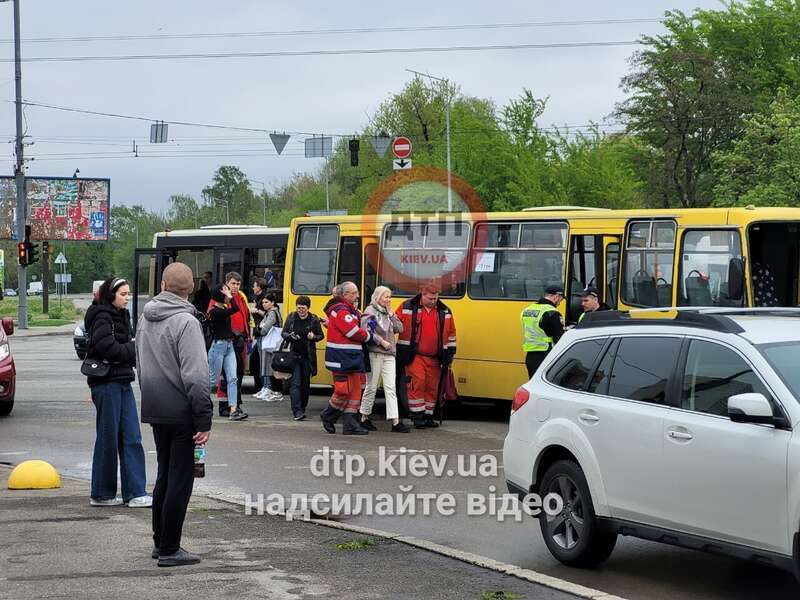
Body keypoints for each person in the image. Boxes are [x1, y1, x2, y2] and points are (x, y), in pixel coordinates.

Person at [136, 262, 212, 567]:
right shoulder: (186, 321)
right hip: (182, 411)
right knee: (181, 479)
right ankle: (170, 548)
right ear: (190, 289)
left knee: (165, 475)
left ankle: (159, 541)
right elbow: (196, 375)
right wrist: (203, 417)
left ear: (164, 286)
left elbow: (140, 364)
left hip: (155, 407)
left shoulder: (145, 316)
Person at [84, 277, 151, 508]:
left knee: (132, 436)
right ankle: (102, 494)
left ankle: (136, 492)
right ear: (110, 295)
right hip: (106, 383)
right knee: (108, 438)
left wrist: (130, 348)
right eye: (123, 294)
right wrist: (132, 347)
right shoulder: (102, 316)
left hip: (122, 380)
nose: (127, 297)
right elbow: (107, 348)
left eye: (128, 293)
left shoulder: (122, 315)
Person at [395, 282, 457, 430]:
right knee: (418, 384)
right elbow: (393, 323)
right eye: (430, 298)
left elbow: (451, 334)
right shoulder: (407, 306)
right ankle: (417, 417)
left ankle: (428, 416)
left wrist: (450, 355)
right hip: (414, 356)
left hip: (436, 357)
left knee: (432, 387)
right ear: (422, 295)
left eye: (435, 298)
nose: (433, 301)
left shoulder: (444, 311)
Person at [320, 282, 372, 434]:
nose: (357, 296)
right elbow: (353, 332)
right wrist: (369, 336)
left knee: (356, 391)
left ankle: (350, 424)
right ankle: (328, 415)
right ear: (345, 295)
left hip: (351, 357)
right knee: (343, 390)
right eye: (354, 293)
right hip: (341, 357)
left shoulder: (349, 310)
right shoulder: (341, 311)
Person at [360, 286, 409, 433]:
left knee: (390, 388)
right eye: (385, 296)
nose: (388, 299)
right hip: (375, 353)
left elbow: (400, 328)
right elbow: (366, 331)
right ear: (377, 297)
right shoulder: (370, 312)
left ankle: (395, 421)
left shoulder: (388, 313)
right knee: (372, 386)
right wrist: (381, 342)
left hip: (389, 354)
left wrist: (391, 313)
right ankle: (364, 417)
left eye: (389, 297)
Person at [207, 285, 248, 421]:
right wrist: (231, 298)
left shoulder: (222, 309)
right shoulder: (215, 312)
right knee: (212, 380)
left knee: (232, 379)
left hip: (229, 345)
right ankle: (199, 405)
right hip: (218, 347)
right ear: (220, 296)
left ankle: (233, 410)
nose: (228, 296)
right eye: (226, 294)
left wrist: (229, 297)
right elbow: (235, 309)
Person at [216, 272, 253, 416]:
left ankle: (234, 405)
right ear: (226, 283)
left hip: (240, 341)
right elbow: (215, 316)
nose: (235, 286)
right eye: (233, 283)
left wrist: (248, 337)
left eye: (238, 284)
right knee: (226, 376)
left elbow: (245, 317)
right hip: (227, 341)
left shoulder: (241, 297)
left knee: (237, 375)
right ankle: (225, 406)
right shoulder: (220, 296)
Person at [282, 295, 324, 420]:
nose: (300, 310)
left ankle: (302, 408)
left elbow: (320, 335)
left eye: (303, 308)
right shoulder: (291, 317)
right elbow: (283, 333)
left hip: (307, 357)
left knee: (305, 385)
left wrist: (313, 337)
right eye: (298, 308)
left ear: (308, 308)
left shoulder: (314, 319)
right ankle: (297, 411)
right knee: (295, 384)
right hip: (293, 355)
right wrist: (290, 336)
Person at [521, 284, 566, 379]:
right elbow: (559, 338)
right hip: (545, 354)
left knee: (534, 384)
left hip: (530, 356)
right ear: (556, 296)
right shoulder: (552, 312)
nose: (559, 303)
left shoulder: (527, 310)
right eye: (560, 300)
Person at [255, 292, 284, 402]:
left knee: (267, 366)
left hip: (269, 342)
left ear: (272, 303)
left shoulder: (272, 313)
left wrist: (259, 331)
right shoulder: (271, 312)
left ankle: (268, 388)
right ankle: (266, 388)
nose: (264, 304)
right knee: (266, 365)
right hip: (270, 342)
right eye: (263, 302)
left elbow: (265, 328)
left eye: (266, 302)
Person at [249, 277, 269, 391]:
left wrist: (256, 310)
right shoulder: (259, 298)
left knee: (260, 361)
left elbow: (268, 314)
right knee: (257, 360)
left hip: (263, 333)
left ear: (259, 287)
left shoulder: (265, 299)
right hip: (259, 332)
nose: (253, 287)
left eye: (254, 285)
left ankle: (262, 387)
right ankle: (260, 386)